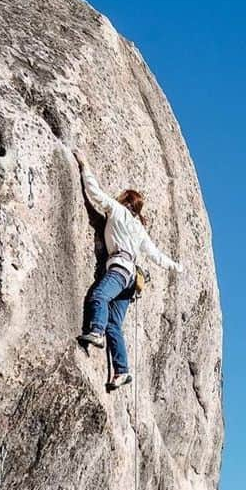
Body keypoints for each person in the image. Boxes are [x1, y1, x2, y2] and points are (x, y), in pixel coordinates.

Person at [71, 147, 182, 390]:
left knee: (99, 296)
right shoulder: (139, 228)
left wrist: (84, 164)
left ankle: (96, 332)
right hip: (132, 279)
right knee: (115, 324)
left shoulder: (118, 210)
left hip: (120, 269)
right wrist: (176, 267)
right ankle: (122, 371)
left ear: (125, 200)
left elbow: (95, 193)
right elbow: (154, 254)